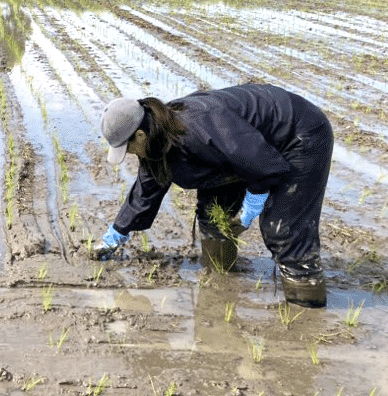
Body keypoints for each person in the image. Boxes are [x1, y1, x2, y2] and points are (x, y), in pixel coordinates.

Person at [94, 83, 334, 308]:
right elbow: (147, 190)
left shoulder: (199, 124)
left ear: (139, 135)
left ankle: (306, 309)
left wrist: (253, 202)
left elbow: (258, 161)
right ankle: (222, 286)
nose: (130, 154)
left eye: (127, 148)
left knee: (283, 229)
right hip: (240, 152)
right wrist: (118, 231)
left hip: (297, 135)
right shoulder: (158, 136)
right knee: (212, 215)